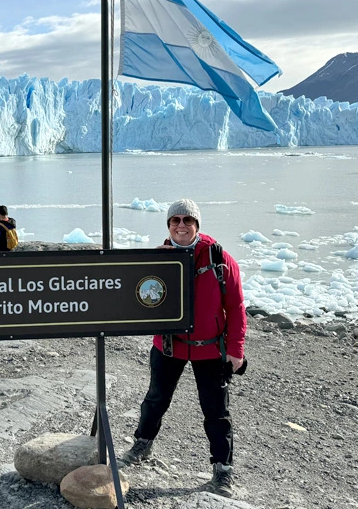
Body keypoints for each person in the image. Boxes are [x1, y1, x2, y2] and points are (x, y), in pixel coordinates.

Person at [120, 199, 246, 499]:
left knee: (216, 412)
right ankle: (142, 444)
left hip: (210, 349)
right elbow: (140, 296)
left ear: (197, 225)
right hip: (168, 346)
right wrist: (150, 264)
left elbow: (237, 306)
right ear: (168, 226)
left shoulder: (219, 259)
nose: (181, 225)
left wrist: (236, 348)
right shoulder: (160, 258)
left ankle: (222, 470)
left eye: (187, 220)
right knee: (155, 400)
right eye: (174, 220)